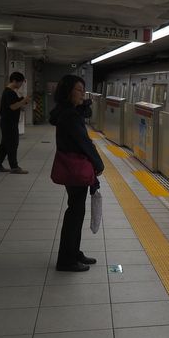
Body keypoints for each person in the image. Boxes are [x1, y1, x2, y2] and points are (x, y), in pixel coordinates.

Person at [49, 75, 104, 272]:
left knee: (75, 211)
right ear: (68, 91)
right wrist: (99, 164)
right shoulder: (70, 116)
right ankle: (66, 259)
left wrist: (80, 107)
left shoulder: (65, 111)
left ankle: (73, 252)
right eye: (79, 90)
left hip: (70, 166)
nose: (82, 93)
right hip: (76, 167)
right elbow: (83, 142)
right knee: (75, 213)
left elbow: (77, 120)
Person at [0, 71, 31, 174]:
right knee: (12, 144)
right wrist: (23, 101)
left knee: (5, 145)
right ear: (14, 81)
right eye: (20, 83)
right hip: (9, 123)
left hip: (8, 122)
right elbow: (13, 106)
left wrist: (22, 100)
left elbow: (14, 103)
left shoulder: (10, 92)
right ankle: (14, 167)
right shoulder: (9, 92)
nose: (20, 85)